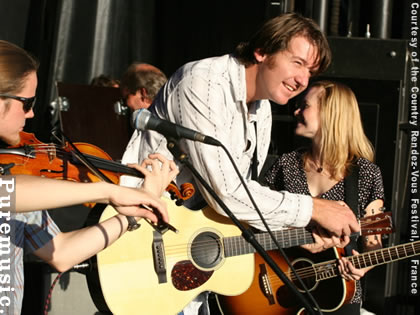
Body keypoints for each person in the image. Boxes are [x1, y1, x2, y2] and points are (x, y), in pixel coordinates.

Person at [121, 13, 359, 314]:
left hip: (191, 265)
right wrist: (314, 208)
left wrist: (294, 233)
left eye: (310, 72)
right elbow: (225, 193)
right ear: (262, 51)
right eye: (297, 63)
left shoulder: (263, 109)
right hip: (142, 248)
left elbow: (241, 200)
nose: (303, 80)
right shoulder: (204, 82)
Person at [0, 39, 178, 315]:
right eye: (27, 103)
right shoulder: (14, 184)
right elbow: (6, 193)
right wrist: (109, 190)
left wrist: (137, 209)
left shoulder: (17, 172)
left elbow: (61, 253)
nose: (32, 112)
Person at [264, 80, 384, 314]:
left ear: (330, 114)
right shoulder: (285, 164)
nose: (295, 111)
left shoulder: (368, 173)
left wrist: (364, 266)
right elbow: (257, 218)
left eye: (304, 106)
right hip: (282, 292)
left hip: (339, 295)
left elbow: (376, 242)